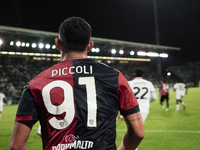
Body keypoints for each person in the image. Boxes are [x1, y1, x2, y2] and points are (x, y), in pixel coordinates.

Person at [10, 16, 144, 150]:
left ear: (57, 43)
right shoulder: (115, 77)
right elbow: (138, 133)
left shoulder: (36, 83)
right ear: (90, 45)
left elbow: (16, 146)